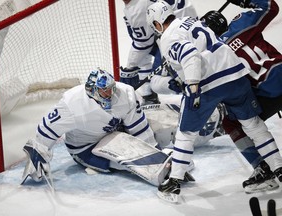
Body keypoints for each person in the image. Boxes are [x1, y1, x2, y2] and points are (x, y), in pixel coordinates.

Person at [146, 1, 282, 202]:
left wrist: (191, 85)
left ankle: (173, 183)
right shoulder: (190, 21)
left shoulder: (167, 37)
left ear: (157, 24)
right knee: (254, 125)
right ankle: (278, 168)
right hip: (236, 77)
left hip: (208, 84)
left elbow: (190, 56)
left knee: (186, 133)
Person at [21, 69, 175, 187]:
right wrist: (37, 157)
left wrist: (153, 148)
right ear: (92, 90)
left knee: (160, 125)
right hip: (85, 147)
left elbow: (139, 127)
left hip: (116, 130)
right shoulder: (72, 103)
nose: (110, 94)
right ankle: (158, 168)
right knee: (123, 154)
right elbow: (47, 128)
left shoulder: (125, 93)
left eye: (111, 88)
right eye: (104, 90)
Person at [200, 0, 282, 193]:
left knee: (232, 122)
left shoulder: (214, 53)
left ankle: (264, 168)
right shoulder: (241, 24)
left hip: (268, 92)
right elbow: (271, 7)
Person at [120, 0, 197, 105]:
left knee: (156, 83)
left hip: (177, 38)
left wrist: (130, 67)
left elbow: (143, 44)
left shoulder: (137, 8)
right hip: (191, 23)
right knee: (142, 44)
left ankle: (188, 89)